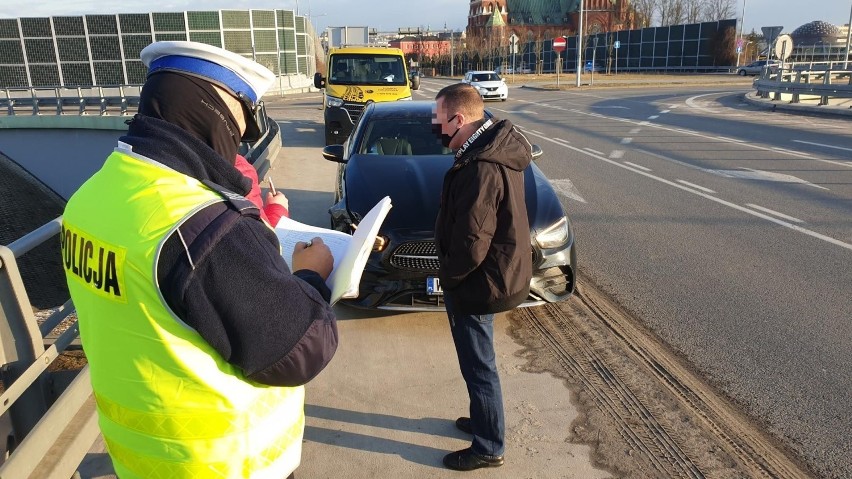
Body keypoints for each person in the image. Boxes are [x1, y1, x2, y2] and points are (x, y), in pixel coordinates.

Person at [60, 41, 338, 479]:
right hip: (222, 463)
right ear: (212, 113)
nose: (241, 142)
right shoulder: (202, 225)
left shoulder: (89, 198)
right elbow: (301, 350)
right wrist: (310, 276)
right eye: (241, 124)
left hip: (139, 457)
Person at [431, 83, 533, 471]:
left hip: (479, 282)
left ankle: (489, 445)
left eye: (438, 121)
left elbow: (473, 241)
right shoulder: (486, 148)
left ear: (459, 119)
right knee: (479, 359)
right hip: (491, 274)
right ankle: (483, 418)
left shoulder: (481, 166)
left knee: (479, 363)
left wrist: (449, 279)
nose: (435, 128)